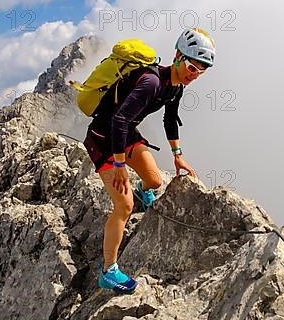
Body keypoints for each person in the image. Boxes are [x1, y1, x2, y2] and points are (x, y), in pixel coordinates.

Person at [82, 27, 216, 294]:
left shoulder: (175, 87)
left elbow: (169, 119)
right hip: (102, 138)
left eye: (201, 70)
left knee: (154, 180)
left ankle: (143, 196)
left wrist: (178, 156)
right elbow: (118, 119)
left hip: (126, 134)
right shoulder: (152, 82)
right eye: (192, 66)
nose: (195, 74)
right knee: (124, 205)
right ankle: (108, 272)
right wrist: (120, 166)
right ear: (178, 56)